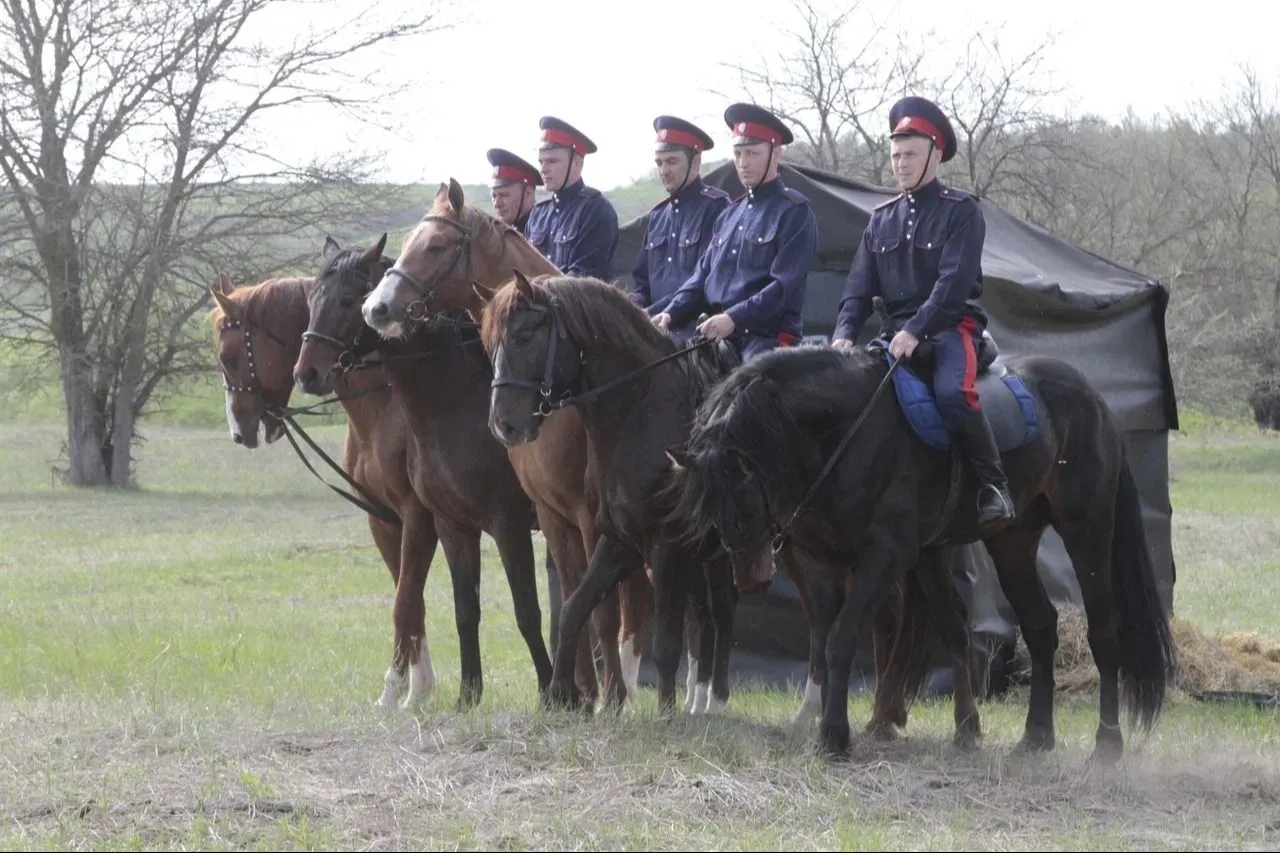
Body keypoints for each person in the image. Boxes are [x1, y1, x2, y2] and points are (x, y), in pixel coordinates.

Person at [830, 95, 1015, 529]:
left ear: (935, 154)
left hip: (949, 328)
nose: (901, 164)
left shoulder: (961, 211)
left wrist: (916, 329)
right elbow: (857, 289)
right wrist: (843, 333)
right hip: (894, 334)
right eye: (896, 155)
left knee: (952, 395)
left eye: (910, 154)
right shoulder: (880, 220)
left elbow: (953, 286)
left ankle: (994, 486)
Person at [650, 103, 818, 361]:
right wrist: (670, 313)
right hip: (716, 334)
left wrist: (733, 318)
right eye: (738, 154)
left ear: (776, 153)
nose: (743, 163)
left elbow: (783, 288)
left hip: (766, 339)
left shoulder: (794, 212)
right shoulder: (729, 215)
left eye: (752, 153)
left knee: (748, 386)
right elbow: (700, 277)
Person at [629, 115, 730, 341]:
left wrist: (655, 313)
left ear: (695, 161)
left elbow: (706, 282)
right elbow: (641, 284)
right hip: (654, 331)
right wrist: (631, 310)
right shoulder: (657, 216)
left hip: (697, 333)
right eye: (659, 163)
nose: (664, 170)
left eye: (672, 161)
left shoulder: (717, 207)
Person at [523, 116, 620, 282]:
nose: (543, 169)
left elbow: (583, 278)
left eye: (552, 161)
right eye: (541, 162)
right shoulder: (538, 213)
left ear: (577, 163)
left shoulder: (595, 210)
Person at [486, 147, 541, 231]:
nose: (497, 203)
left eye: (504, 195)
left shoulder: (541, 230)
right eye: (494, 196)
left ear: (528, 194)